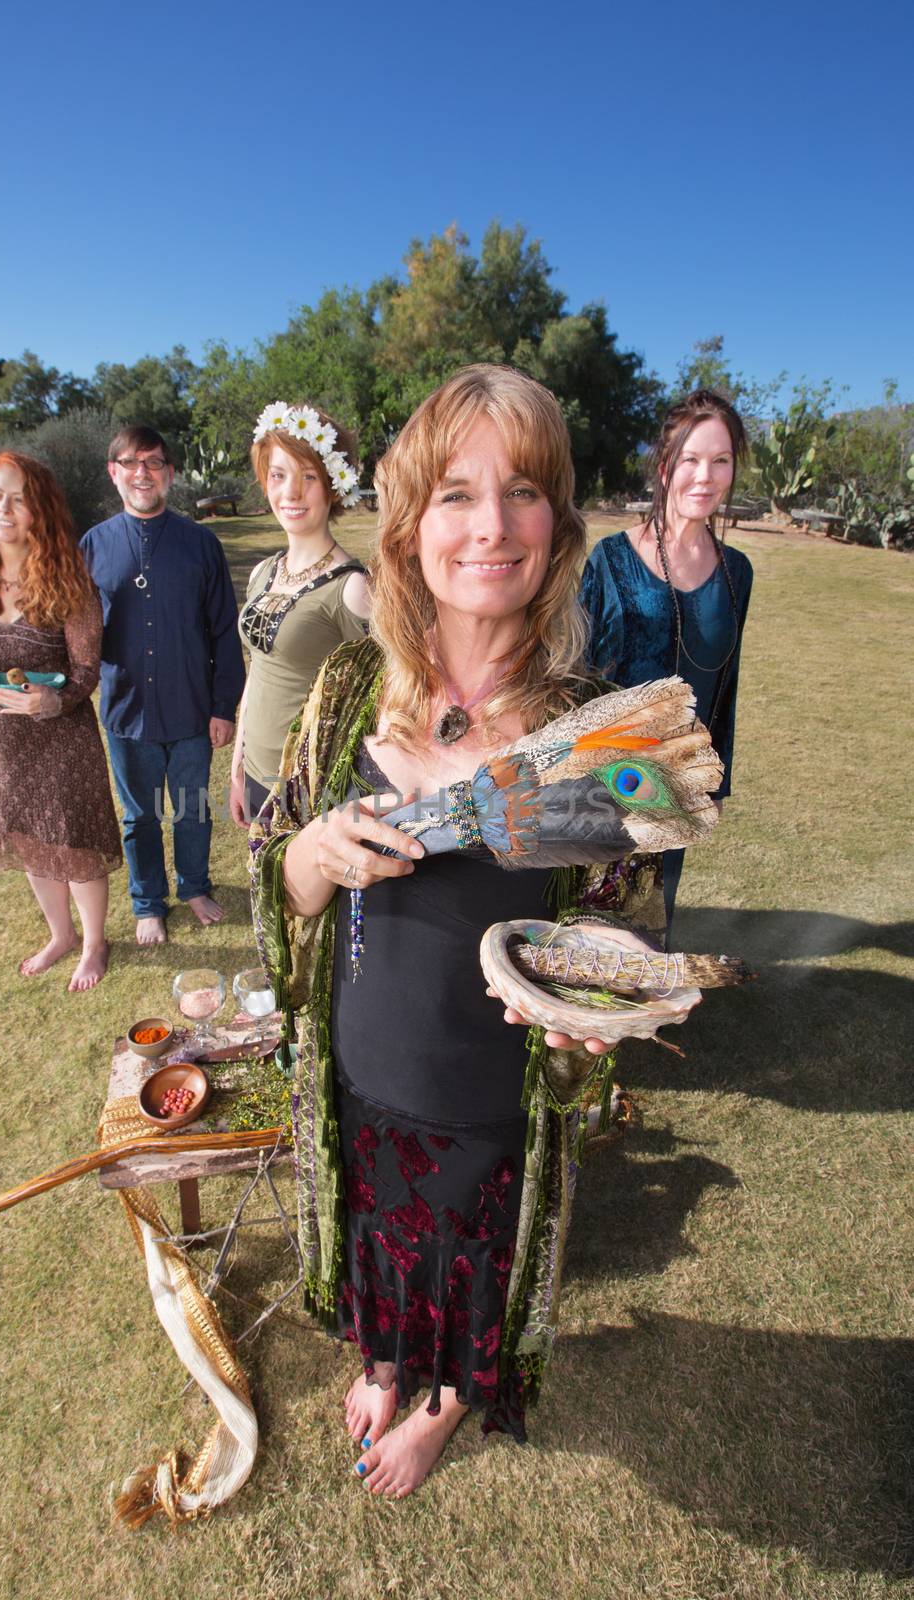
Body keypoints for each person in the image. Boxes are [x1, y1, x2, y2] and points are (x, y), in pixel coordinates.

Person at [251, 365, 663, 1499]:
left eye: (522, 490)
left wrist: (595, 1004)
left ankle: (439, 1405)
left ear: (559, 525)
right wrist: (313, 857)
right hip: (361, 1079)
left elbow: (625, 922)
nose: (490, 525)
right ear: (408, 524)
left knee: (471, 1267)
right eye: (455, 495)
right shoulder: (342, 693)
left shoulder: (591, 727)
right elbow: (274, 885)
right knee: (382, 1249)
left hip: (495, 1106)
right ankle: (387, 1363)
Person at [578, 390, 753, 932]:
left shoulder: (737, 571)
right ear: (665, 466)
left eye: (720, 460)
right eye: (691, 460)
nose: (706, 475)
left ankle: (640, 1014)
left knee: (653, 913)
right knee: (587, 914)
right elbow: (579, 674)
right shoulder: (612, 558)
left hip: (679, 779)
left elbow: (727, 682)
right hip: (605, 775)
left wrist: (714, 781)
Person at [0, 451, 122, 992]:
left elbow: (86, 669)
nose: (5, 507)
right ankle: (60, 935)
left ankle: (94, 942)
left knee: (74, 840)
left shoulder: (68, 577)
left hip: (60, 737)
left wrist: (54, 702)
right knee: (28, 839)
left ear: (38, 509)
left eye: (18, 497)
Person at [80, 426, 245, 945]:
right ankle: (147, 902)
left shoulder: (200, 543)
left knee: (193, 811)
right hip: (128, 713)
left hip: (193, 710)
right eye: (130, 463)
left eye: (153, 463)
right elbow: (75, 629)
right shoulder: (93, 546)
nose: (142, 473)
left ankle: (194, 887)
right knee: (139, 818)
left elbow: (223, 628)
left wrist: (224, 707)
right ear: (114, 473)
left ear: (170, 474)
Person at [230, 402, 370, 826]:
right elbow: (257, 671)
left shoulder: (352, 588)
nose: (291, 492)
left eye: (308, 476)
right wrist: (238, 763)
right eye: (278, 475)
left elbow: (382, 702)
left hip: (309, 790)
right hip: (255, 772)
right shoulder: (262, 572)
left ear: (333, 486)